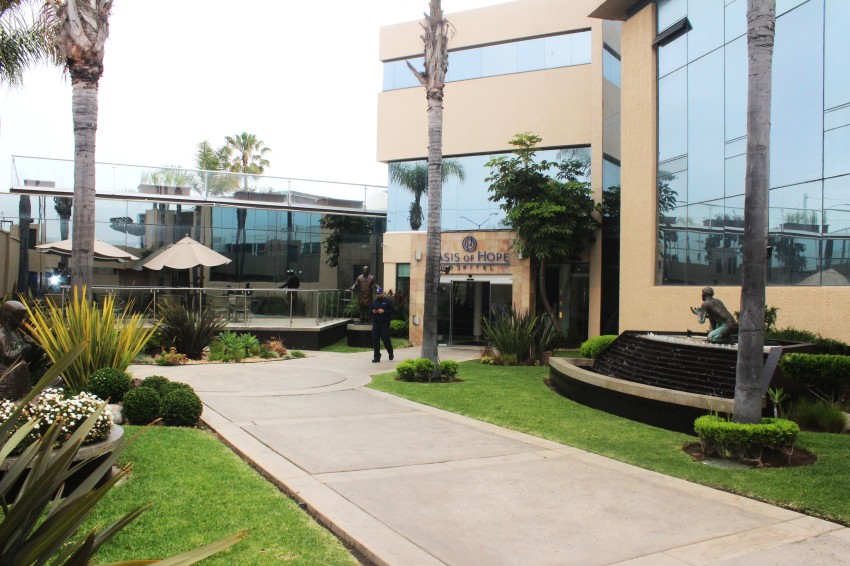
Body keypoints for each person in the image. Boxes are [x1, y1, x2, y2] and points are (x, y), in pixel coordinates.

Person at [0, 300, 32, 400]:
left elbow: (24, 353)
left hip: (20, 368)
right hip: (7, 371)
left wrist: (29, 344)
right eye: (19, 317)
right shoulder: (2, 334)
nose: (22, 320)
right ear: (9, 318)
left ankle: (24, 396)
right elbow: (8, 355)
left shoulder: (16, 332)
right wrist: (24, 346)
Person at [370, 287, 394, 363]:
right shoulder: (374, 301)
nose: (378, 295)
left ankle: (390, 352)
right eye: (377, 294)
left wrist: (384, 311)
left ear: (382, 293)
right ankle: (377, 357)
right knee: (375, 340)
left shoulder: (388, 301)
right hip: (376, 323)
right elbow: (369, 310)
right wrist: (373, 311)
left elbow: (393, 311)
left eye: (380, 293)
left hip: (385, 324)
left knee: (385, 339)